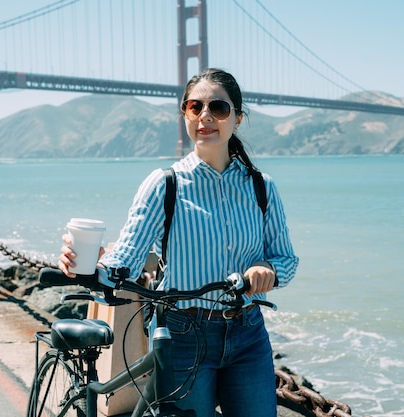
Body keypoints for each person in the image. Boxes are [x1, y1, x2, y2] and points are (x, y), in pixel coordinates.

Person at [58, 68, 299, 417]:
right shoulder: (164, 185)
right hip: (183, 335)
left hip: (248, 334)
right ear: (184, 114)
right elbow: (125, 258)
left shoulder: (262, 187)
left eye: (218, 108)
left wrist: (268, 270)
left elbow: (287, 261)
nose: (205, 117)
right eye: (194, 107)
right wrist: (88, 266)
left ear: (238, 119)